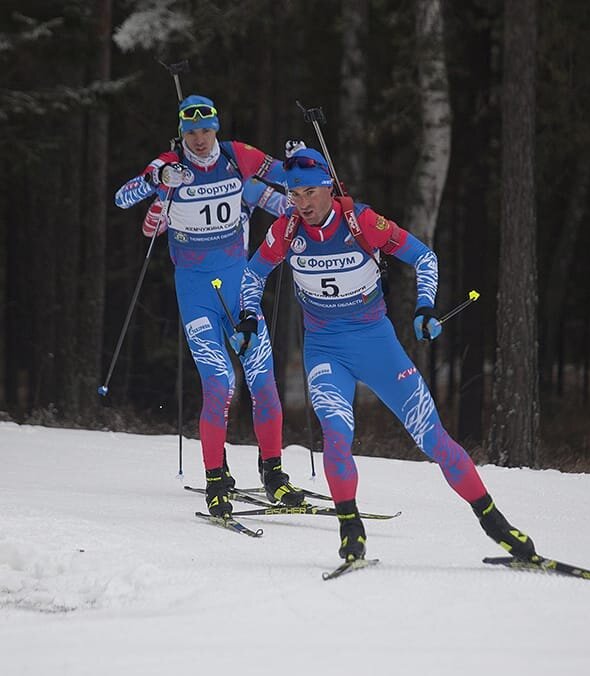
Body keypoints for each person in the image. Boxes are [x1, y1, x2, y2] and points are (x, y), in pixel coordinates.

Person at [233, 140, 537, 562]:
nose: (302, 203)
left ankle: (496, 524)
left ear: (329, 187)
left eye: (309, 192)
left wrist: (426, 305)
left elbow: (424, 258)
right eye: (294, 194)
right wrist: (248, 317)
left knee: (434, 439)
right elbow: (251, 276)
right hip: (324, 351)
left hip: (377, 345)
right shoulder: (286, 231)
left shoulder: (362, 222)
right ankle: (350, 532)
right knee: (336, 438)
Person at [114, 95, 304, 517]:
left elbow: (291, 194)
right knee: (219, 383)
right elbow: (123, 199)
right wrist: (161, 179)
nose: (199, 140)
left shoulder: (239, 160)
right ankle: (216, 480)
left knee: (263, 380)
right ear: (182, 134)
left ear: (216, 128)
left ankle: (273, 474)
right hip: (196, 293)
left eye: (206, 130)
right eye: (190, 132)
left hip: (241, 291)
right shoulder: (169, 166)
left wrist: (301, 161)